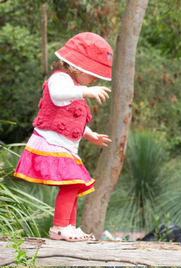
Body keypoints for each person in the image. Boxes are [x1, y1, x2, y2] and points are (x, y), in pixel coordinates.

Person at [14, 32, 113, 241]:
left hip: (65, 147)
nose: (94, 78)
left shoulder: (75, 88)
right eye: (92, 74)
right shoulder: (60, 79)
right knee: (71, 183)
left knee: (74, 184)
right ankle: (59, 227)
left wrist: (89, 134)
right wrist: (86, 91)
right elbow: (58, 94)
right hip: (51, 144)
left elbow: (72, 120)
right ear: (78, 67)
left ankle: (69, 226)